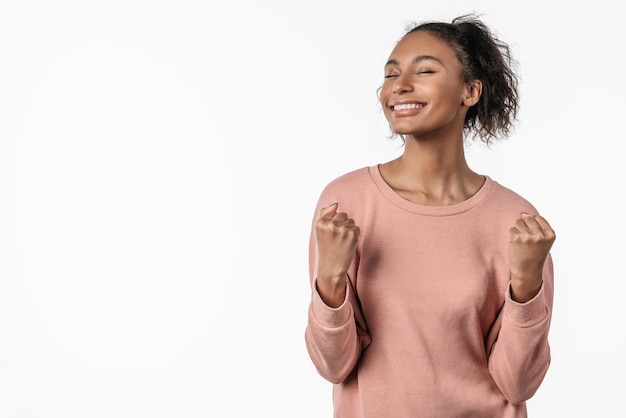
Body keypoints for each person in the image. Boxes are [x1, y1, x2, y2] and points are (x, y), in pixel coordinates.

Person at [304, 14, 556, 418]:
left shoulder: (515, 221)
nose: (399, 86)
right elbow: (334, 367)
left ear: (470, 91)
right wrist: (330, 282)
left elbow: (518, 384)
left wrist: (526, 289)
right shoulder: (346, 203)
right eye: (390, 74)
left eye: (423, 70)